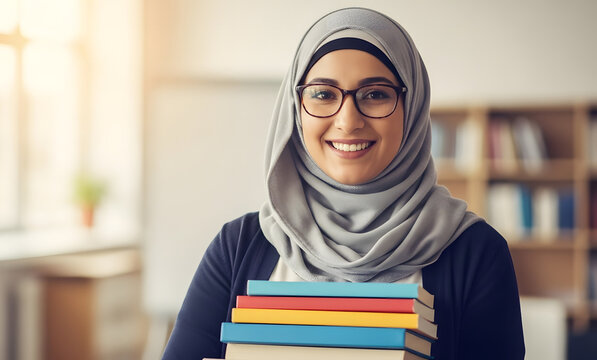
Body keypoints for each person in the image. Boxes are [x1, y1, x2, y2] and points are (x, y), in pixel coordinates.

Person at [162, 7, 525, 360]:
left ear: (411, 106)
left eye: (376, 93)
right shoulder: (238, 248)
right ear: (296, 108)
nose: (348, 121)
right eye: (323, 94)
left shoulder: (477, 254)